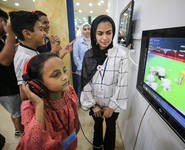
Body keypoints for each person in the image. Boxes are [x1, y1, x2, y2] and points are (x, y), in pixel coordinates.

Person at [80, 15, 128, 150]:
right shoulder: (89, 55)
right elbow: (86, 81)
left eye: (109, 33)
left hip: (113, 102)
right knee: (97, 125)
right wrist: (92, 105)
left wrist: (112, 107)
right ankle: (97, 147)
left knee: (111, 127)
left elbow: (122, 83)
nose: (105, 38)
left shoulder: (121, 55)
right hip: (95, 102)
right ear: (94, 33)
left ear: (113, 32)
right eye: (100, 33)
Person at [16, 52, 80, 150]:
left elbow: (75, 116)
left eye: (64, 71)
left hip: (70, 142)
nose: (65, 77)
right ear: (37, 83)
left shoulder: (68, 91)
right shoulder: (29, 107)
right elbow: (33, 146)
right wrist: (39, 105)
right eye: (55, 75)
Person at [9, 10, 74, 101]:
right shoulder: (24, 58)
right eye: (40, 29)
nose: (43, 33)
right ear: (27, 34)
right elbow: (24, 95)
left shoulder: (33, 51)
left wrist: (63, 51)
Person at [0, 9, 23, 135]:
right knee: (18, 114)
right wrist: (11, 34)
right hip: (6, 88)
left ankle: (18, 131)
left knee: (15, 113)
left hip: (11, 84)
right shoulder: (8, 36)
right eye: (2, 21)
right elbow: (4, 60)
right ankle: (24, 139)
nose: (5, 23)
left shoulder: (3, 39)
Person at [73, 22, 91, 109]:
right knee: (82, 87)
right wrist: (82, 67)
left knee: (91, 86)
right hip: (81, 70)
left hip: (92, 69)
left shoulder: (94, 41)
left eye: (88, 29)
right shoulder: (77, 42)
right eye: (85, 29)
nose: (87, 31)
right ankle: (82, 103)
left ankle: (90, 102)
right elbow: (76, 57)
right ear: (82, 31)